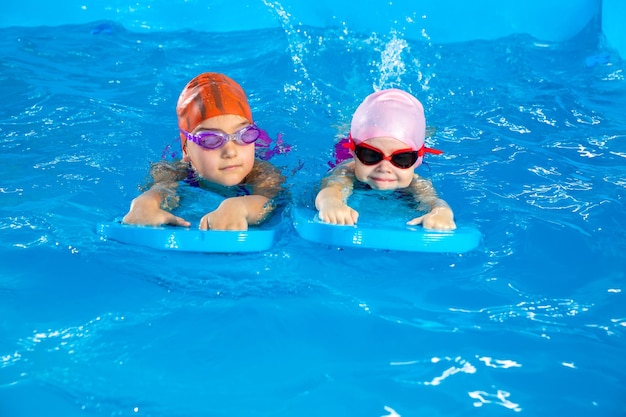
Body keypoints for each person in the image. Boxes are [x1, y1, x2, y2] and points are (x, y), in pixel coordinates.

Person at [122, 72, 285, 231]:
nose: (230, 152)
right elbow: (161, 190)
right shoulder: (173, 171)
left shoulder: (263, 174)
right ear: (186, 150)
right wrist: (144, 204)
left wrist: (240, 206)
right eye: (210, 140)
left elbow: (267, 202)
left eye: (244, 135)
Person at [315, 88, 456, 230]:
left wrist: (442, 212)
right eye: (371, 155)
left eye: (402, 158)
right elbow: (330, 190)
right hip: (346, 150)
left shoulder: (416, 183)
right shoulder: (346, 172)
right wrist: (331, 203)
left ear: (417, 159)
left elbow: (434, 202)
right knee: (342, 131)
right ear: (355, 152)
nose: (384, 168)